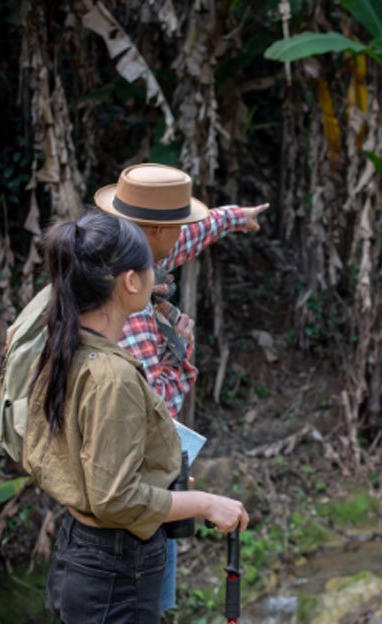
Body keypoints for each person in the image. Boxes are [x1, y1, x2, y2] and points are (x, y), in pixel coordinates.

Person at [22, 213, 249, 624]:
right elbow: (116, 498)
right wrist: (205, 503)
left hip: (83, 551)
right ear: (130, 282)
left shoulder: (67, 346)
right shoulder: (114, 376)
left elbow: (90, 463)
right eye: (149, 268)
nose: (157, 275)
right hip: (115, 568)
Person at [93, 163, 268, 613]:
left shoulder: (114, 256)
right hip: (131, 506)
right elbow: (154, 407)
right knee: (146, 607)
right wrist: (179, 356)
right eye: (175, 227)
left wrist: (234, 216)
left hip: (115, 502)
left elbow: (195, 233)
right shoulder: (127, 312)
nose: (182, 237)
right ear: (154, 231)